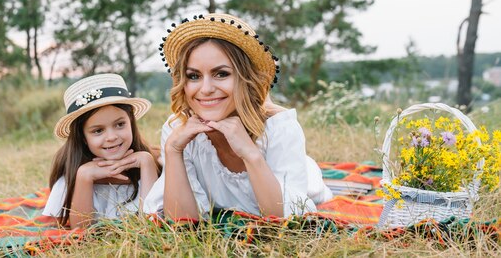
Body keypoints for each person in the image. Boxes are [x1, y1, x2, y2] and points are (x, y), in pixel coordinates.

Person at [143, 13, 332, 219]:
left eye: (221, 74)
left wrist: (250, 153)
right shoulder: (177, 129)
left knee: (308, 177)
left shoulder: (279, 127)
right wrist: (173, 150)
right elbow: (182, 222)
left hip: (298, 177)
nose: (205, 89)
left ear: (245, 79)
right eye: (194, 76)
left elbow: (279, 220)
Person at [43, 73, 160, 228]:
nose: (111, 137)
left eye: (120, 124)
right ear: (83, 137)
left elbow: (152, 222)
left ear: (130, 122)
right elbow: (81, 232)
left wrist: (147, 164)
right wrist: (85, 177)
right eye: (98, 131)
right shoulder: (71, 177)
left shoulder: (153, 161)